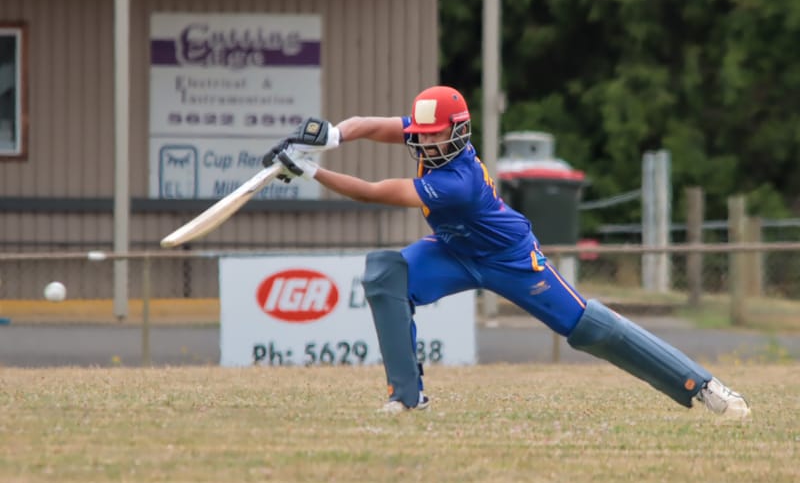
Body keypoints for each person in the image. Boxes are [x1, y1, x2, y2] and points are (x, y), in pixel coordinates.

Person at [263, 85, 751, 418]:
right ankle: (407, 399)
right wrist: (330, 136)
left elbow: (373, 192)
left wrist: (311, 173)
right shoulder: (428, 134)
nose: (423, 141)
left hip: (510, 259)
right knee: (384, 275)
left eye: (434, 135)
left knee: (588, 328)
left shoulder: (457, 182)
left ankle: (702, 386)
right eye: (421, 133)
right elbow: (373, 125)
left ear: (457, 134)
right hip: (453, 250)